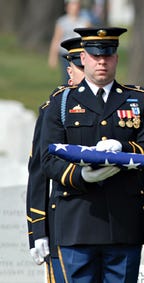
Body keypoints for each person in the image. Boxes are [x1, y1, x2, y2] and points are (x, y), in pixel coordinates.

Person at [40, 27, 144, 283]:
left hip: (123, 224)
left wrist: (124, 148)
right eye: (95, 56)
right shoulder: (61, 102)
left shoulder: (138, 101)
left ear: (116, 58)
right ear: (83, 58)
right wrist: (82, 175)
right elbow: (48, 159)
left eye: (107, 56)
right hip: (76, 222)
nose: (101, 62)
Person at [27, 36, 85, 283]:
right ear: (70, 71)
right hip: (66, 218)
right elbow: (40, 172)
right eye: (82, 65)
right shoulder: (56, 107)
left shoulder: (122, 103)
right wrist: (38, 228)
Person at [48, 0, 91, 83]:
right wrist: (52, 57)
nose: (75, 7)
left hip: (80, 54)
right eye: (73, 4)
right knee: (68, 77)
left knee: (81, 76)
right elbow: (56, 39)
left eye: (77, 4)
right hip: (66, 54)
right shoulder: (62, 22)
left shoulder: (85, 21)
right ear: (68, 7)